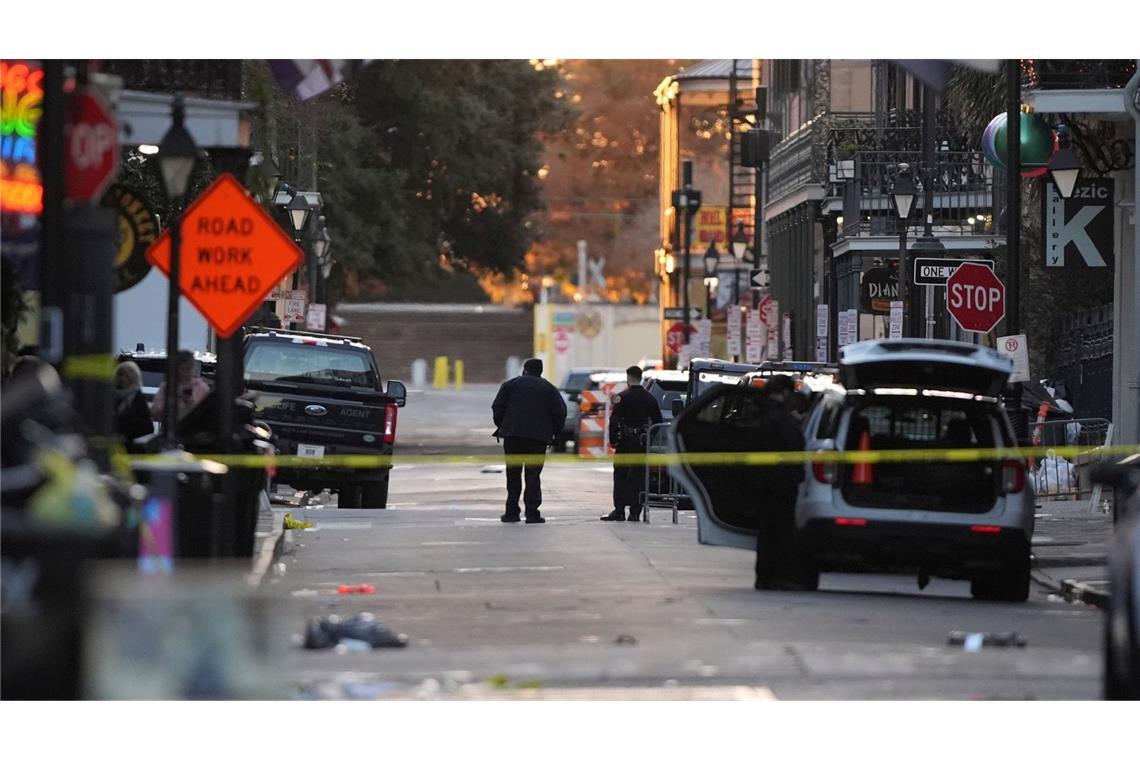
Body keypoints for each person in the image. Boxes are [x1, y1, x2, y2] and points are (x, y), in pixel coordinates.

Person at [751, 373, 810, 591]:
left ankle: (763, 576)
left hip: (763, 480)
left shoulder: (758, 413)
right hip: (782, 481)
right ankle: (777, 575)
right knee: (781, 530)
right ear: (784, 392)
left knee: (766, 530)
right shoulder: (781, 417)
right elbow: (796, 443)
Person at [491, 358, 567, 524]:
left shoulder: (510, 385)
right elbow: (560, 412)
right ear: (540, 372)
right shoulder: (549, 389)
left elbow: (497, 407)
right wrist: (553, 433)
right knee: (533, 475)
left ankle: (511, 512)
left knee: (513, 474)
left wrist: (504, 425)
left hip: (513, 436)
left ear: (524, 370)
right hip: (537, 439)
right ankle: (532, 513)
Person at [602, 365, 662, 522]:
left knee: (620, 475)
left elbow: (614, 420)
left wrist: (613, 440)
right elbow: (658, 421)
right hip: (641, 443)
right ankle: (635, 512)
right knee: (638, 476)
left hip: (625, 442)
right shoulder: (650, 398)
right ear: (640, 378)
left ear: (628, 378)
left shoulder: (622, 397)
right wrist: (649, 437)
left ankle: (619, 510)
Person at [150, 350, 210, 424]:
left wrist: (191, 403)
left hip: (194, 432)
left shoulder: (202, 388)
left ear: (193, 368)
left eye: (188, 369)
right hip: (171, 430)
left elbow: (208, 415)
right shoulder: (167, 387)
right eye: (182, 369)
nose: (185, 373)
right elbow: (154, 412)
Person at [113, 360, 155, 444]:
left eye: (124, 375)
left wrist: (126, 437)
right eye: (119, 374)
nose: (120, 378)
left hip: (131, 445)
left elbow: (147, 428)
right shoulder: (114, 396)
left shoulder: (137, 398)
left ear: (132, 377)